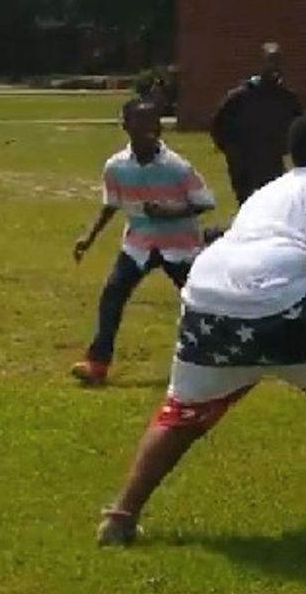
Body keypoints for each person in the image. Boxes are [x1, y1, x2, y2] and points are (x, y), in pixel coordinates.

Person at [96, 110, 306, 545]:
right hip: (281, 302)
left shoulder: (270, 190)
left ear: (292, 154)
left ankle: (121, 515)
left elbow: (239, 234)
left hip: (206, 298)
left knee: (182, 413)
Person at [72, 98, 216, 386]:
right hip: (138, 245)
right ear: (125, 125)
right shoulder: (116, 167)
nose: (152, 128)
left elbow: (204, 202)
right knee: (112, 296)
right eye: (143, 121)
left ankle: (219, 356)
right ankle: (97, 363)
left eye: (156, 121)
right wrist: (89, 236)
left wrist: (170, 212)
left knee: (203, 300)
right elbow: (111, 205)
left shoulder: (177, 167)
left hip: (180, 248)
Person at [211, 42, 303, 205]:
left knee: (271, 205)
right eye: (270, 60)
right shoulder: (240, 97)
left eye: (277, 61)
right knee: (247, 205)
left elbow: (299, 126)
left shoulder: (286, 98)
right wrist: (230, 151)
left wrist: (286, 148)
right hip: (243, 163)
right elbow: (219, 125)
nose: (274, 66)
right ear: (261, 63)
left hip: (271, 162)